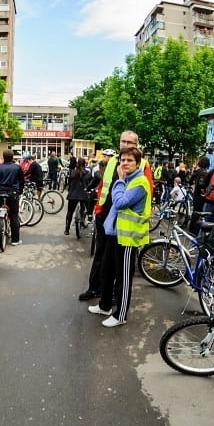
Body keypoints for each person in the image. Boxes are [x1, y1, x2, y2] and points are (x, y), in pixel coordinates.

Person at [78, 132, 154, 302]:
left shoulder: (143, 165)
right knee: (101, 256)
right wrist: (98, 208)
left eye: (130, 142)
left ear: (136, 145)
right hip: (105, 214)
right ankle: (95, 288)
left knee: (116, 262)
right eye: (123, 141)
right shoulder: (113, 160)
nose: (125, 144)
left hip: (124, 218)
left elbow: (147, 192)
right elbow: (103, 186)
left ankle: (113, 295)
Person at [87, 145, 150, 327]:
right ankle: (105, 305)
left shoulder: (139, 182)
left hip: (128, 238)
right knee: (106, 270)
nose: (125, 163)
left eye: (130, 160)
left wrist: (119, 181)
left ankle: (120, 315)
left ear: (138, 163)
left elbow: (120, 202)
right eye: (122, 160)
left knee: (123, 278)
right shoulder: (129, 179)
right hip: (115, 234)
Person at [0, 150, 24, 245]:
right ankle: (15, 240)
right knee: (14, 216)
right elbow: (22, 181)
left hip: (0, 193)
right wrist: (19, 191)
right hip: (13, 193)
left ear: (3, 157)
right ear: (13, 157)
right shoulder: (17, 167)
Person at [64, 157, 93, 235]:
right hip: (83, 194)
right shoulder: (87, 173)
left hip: (73, 195)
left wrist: (69, 189)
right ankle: (87, 219)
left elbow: (68, 183)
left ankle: (67, 229)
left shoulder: (73, 173)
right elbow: (90, 184)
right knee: (88, 208)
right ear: (85, 164)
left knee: (70, 212)